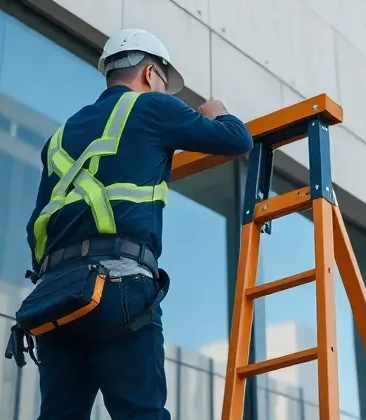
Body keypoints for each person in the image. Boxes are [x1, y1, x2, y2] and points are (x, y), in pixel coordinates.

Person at [25, 28, 253, 419]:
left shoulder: (59, 138)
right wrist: (218, 111)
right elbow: (237, 140)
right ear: (150, 74)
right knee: (140, 413)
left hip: (54, 296)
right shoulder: (151, 108)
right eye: (164, 85)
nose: (165, 94)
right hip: (117, 287)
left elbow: (36, 226)